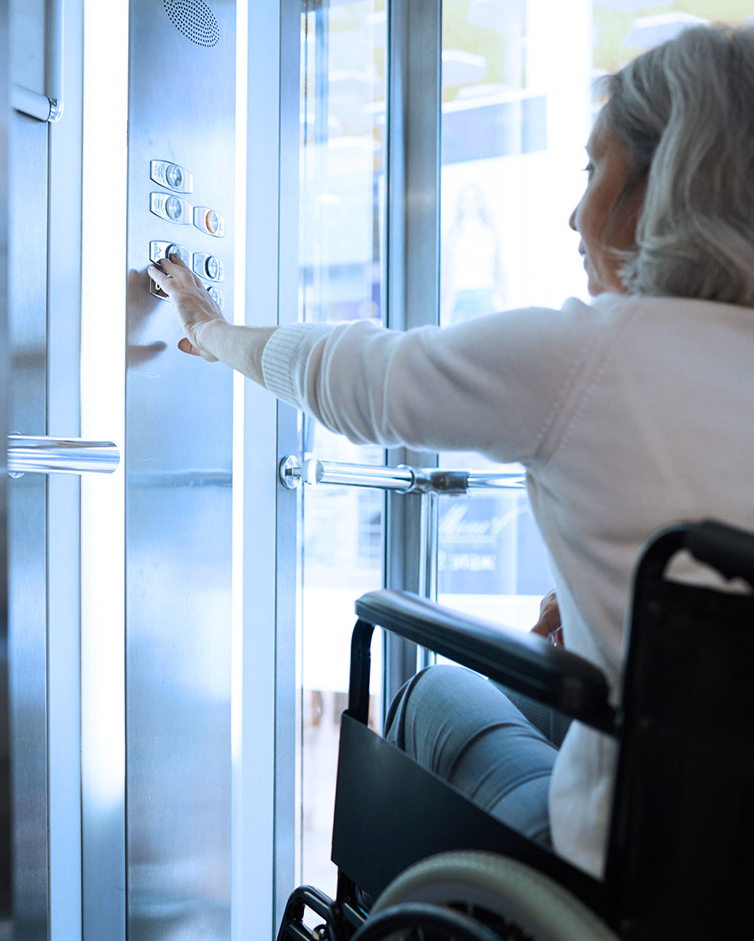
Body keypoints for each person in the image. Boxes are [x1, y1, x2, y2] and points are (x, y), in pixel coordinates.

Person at [148, 23, 754, 879]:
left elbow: (349, 377)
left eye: (592, 170)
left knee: (434, 690)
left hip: (623, 879)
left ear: (663, 183)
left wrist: (212, 329)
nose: (574, 214)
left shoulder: (591, 355)